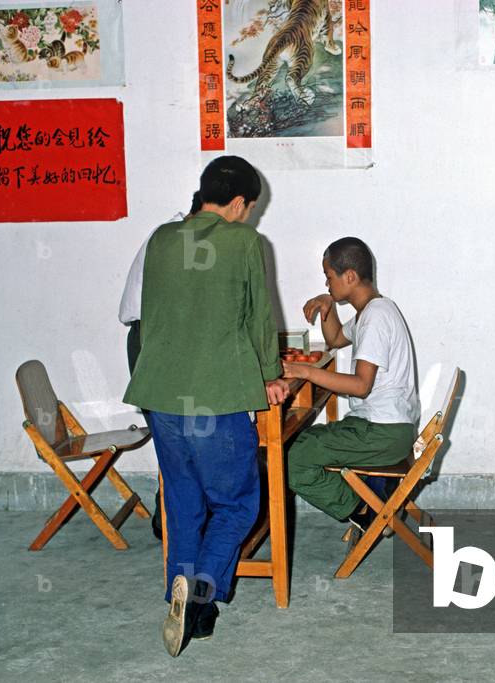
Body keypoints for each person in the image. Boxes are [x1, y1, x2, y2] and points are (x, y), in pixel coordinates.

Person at [123, 156, 289, 657]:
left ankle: (191, 601)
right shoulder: (244, 243)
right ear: (239, 203)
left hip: (162, 398)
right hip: (216, 401)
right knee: (238, 505)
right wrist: (269, 378)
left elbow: (145, 321)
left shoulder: (160, 239)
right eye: (249, 210)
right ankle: (198, 597)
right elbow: (259, 320)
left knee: (183, 504)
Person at [283, 237, 420, 531]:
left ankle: (365, 510)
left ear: (350, 276)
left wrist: (304, 372)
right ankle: (373, 498)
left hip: (383, 433)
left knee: (295, 457)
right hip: (382, 427)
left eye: (329, 277)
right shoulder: (370, 313)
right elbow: (334, 339)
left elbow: (360, 385)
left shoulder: (376, 317)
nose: (326, 284)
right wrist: (327, 305)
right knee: (307, 439)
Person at [119, 192, 203, 540]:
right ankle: (170, 524)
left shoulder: (183, 237)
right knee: (177, 441)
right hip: (154, 342)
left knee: (185, 440)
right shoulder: (172, 240)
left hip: (168, 342)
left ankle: (173, 521)